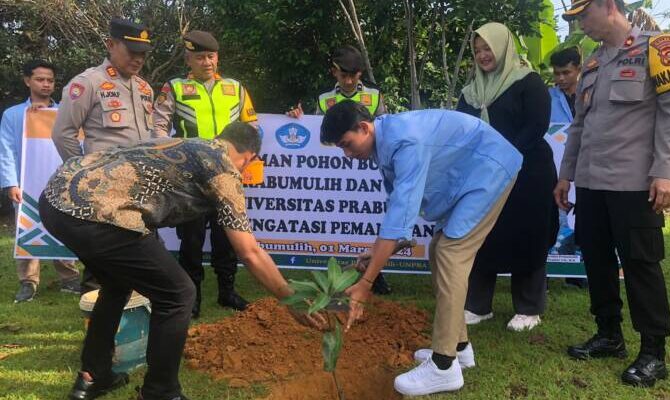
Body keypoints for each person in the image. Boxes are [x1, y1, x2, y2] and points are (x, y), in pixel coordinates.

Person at [39, 122, 326, 400]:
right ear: (249, 157)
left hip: (55, 201)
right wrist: (292, 299)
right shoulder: (223, 168)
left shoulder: (188, 144)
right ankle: (160, 392)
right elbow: (249, 252)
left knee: (117, 284)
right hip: (102, 217)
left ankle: (93, 376)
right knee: (179, 294)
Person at [321, 100, 522, 396]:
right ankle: (460, 348)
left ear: (364, 127)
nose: (348, 154)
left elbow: (400, 214)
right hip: (475, 172)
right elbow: (398, 217)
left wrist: (365, 284)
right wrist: (376, 254)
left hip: (490, 169)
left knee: (450, 254)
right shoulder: (386, 143)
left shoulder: (405, 141)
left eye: (347, 145)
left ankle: (443, 366)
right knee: (438, 250)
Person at [555, 0, 670, 387]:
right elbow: (579, 127)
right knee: (596, 259)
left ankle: (652, 352)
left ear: (607, 6)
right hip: (593, 183)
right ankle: (608, 334)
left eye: (583, 15)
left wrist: (666, 172)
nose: (580, 25)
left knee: (640, 264)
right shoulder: (594, 63)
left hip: (634, 184)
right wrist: (567, 175)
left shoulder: (656, 47)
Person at [456, 22, 558, 331]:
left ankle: (529, 308)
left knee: (527, 235)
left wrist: (504, 154)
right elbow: (462, 128)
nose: (483, 55)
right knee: (482, 235)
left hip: (528, 173)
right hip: (486, 175)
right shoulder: (471, 90)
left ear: (502, 47)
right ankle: (477, 304)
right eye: (477, 51)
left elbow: (536, 125)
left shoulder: (528, 82)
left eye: (487, 48)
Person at [153, 30, 258, 317]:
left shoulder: (235, 88)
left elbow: (252, 126)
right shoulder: (174, 87)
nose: (207, 62)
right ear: (188, 59)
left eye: (211, 56)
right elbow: (159, 128)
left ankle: (227, 291)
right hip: (191, 178)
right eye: (200, 57)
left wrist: (246, 158)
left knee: (228, 236)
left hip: (226, 175)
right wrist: (171, 158)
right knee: (192, 239)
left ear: (217, 57)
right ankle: (194, 297)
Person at [52, 17, 156, 294]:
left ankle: (134, 305)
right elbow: (63, 133)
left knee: (138, 248)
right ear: (111, 44)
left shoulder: (145, 88)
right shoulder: (88, 83)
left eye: (143, 53)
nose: (138, 59)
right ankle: (94, 316)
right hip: (104, 186)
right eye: (132, 51)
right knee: (101, 252)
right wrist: (86, 172)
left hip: (139, 185)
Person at [287, 45, 391, 295]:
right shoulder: (325, 100)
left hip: (369, 174)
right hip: (336, 176)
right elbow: (318, 135)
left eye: (353, 75)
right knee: (339, 219)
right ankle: (338, 276)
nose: (348, 80)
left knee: (370, 220)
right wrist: (297, 118)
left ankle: (374, 274)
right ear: (334, 72)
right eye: (343, 75)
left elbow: (384, 129)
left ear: (360, 74)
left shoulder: (374, 97)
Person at [0, 60, 80, 302]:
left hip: (60, 181)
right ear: (27, 81)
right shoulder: (14, 115)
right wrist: (10, 183)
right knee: (28, 228)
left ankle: (69, 277)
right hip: (27, 183)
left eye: (50, 80)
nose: (46, 84)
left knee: (64, 227)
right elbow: (6, 150)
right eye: (40, 79)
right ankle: (28, 281)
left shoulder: (65, 112)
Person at [549, 47, 588, 289]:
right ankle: (553, 268)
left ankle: (580, 274)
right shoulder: (547, 97)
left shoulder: (591, 94)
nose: (561, 78)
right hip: (557, 171)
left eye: (566, 72)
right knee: (559, 218)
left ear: (579, 70)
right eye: (556, 74)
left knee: (586, 218)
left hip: (589, 168)